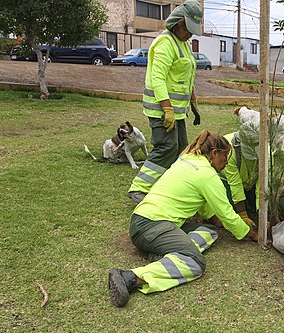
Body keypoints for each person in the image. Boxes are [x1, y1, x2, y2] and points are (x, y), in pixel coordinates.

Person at [109, 131, 258, 307]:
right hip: (151, 226)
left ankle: (165, 254)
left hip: (144, 220)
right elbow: (227, 214)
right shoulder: (207, 174)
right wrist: (251, 233)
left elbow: (204, 205)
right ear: (214, 153)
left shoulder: (186, 161)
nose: (226, 162)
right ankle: (131, 277)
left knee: (209, 232)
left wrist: (218, 222)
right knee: (195, 262)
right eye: (224, 156)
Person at [127, 0, 203, 204]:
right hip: (162, 109)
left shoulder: (183, 44)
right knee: (165, 148)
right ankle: (139, 188)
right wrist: (167, 109)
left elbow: (184, 75)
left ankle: (170, 188)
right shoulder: (165, 43)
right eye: (188, 29)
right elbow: (157, 78)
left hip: (178, 111)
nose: (191, 34)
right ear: (178, 23)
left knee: (181, 149)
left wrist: (193, 100)